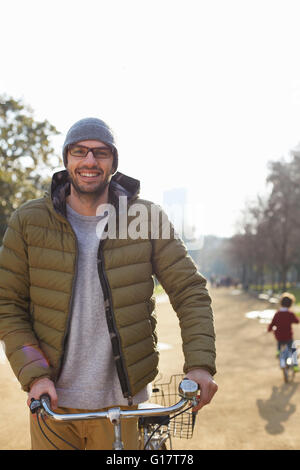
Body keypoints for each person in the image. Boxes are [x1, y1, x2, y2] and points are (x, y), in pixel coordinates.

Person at [0, 117, 217, 450]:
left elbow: (190, 292)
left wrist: (200, 365)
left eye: (101, 153)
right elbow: (7, 303)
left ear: (113, 162)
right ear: (66, 159)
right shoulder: (29, 220)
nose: (90, 161)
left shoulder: (147, 218)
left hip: (123, 405)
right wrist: (36, 375)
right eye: (79, 151)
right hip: (52, 405)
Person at [267, 292, 299, 371]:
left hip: (279, 336)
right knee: (293, 348)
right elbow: (297, 321)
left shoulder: (277, 314)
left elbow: (272, 324)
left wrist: (269, 329)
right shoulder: (290, 314)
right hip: (288, 336)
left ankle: (278, 351)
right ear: (290, 304)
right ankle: (295, 365)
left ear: (281, 303)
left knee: (279, 339)